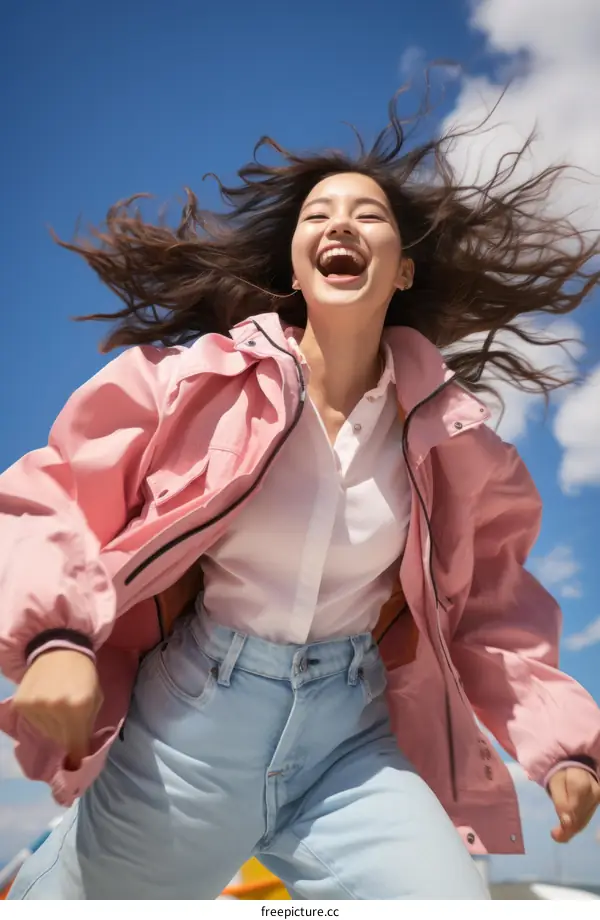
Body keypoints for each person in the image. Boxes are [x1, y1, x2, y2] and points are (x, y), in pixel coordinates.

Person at [1, 96, 600, 901]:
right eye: (318, 214)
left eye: (369, 215)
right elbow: (51, 496)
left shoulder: (458, 449)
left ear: (405, 267)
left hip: (349, 745)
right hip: (186, 737)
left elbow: (491, 610)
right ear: (294, 265)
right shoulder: (187, 384)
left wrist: (566, 747)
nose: (341, 224)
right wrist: (57, 639)